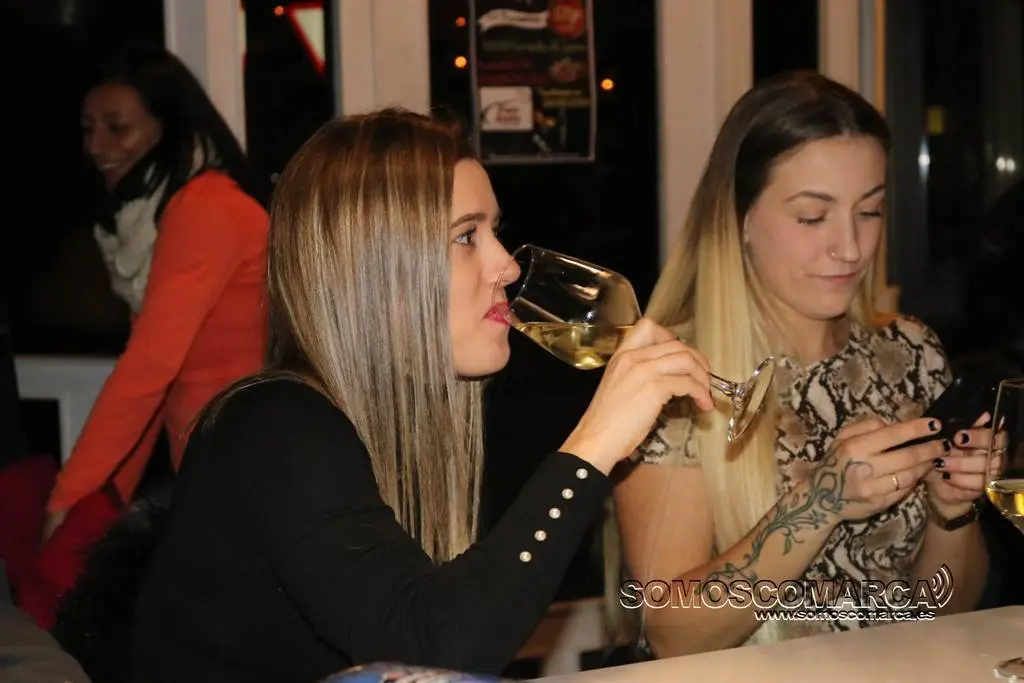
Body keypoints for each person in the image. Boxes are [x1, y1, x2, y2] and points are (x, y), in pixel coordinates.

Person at [129, 108, 715, 683]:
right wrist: (593, 447)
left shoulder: (417, 424)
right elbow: (431, 651)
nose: (507, 265)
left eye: (493, 230)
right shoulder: (274, 428)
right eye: (467, 236)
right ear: (377, 270)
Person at [609, 70, 993, 659]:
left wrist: (951, 511)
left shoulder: (911, 352)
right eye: (813, 217)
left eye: (870, 211)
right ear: (738, 218)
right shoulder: (677, 377)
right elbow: (673, 634)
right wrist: (821, 504)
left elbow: (946, 613)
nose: (851, 247)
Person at [41, 45, 270, 537]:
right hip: (224, 469)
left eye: (117, 127)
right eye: (88, 128)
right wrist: (95, 510)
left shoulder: (205, 209)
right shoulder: (164, 217)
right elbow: (152, 388)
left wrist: (69, 500)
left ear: (169, 128)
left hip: (249, 469)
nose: (96, 146)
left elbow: (147, 370)